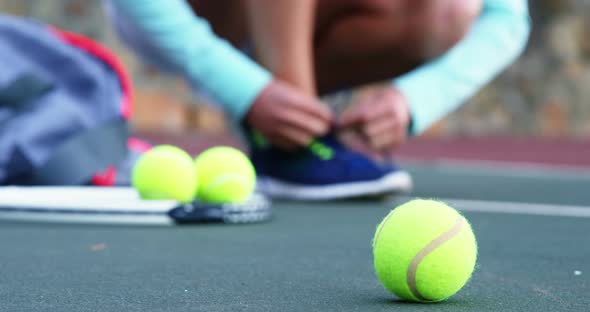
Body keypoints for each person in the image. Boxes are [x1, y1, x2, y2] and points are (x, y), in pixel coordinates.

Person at [104, 0, 530, 200]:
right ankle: (297, 144)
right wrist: (245, 90)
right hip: (181, 12)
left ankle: (297, 121)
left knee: (449, 11)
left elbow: (507, 17)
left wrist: (412, 101)